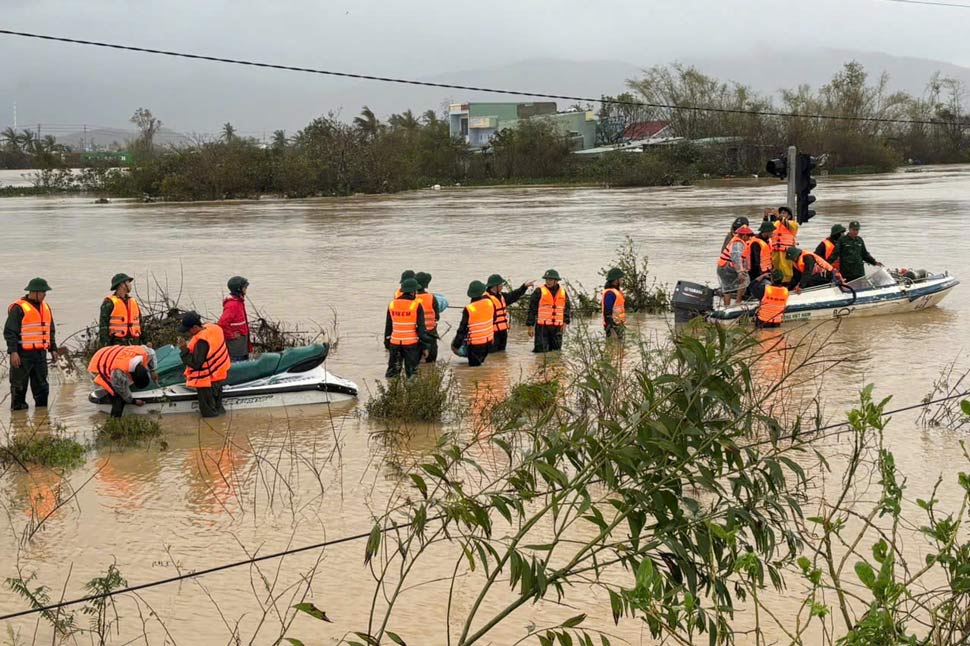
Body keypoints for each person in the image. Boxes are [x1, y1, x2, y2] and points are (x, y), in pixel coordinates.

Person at [5, 278, 58, 411]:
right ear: (34, 292)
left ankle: (41, 416)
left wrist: (53, 348)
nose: (45, 294)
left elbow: (50, 330)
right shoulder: (18, 308)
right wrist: (13, 352)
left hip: (40, 354)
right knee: (19, 387)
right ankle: (18, 420)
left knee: (42, 388)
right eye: (43, 292)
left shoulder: (45, 307)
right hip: (22, 355)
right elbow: (10, 332)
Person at [177, 311, 230, 418]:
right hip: (217, 377)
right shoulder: (214, 329)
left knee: (209, 413)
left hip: (206, 382)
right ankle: (222, 427)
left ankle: (213, 432)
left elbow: (196, 364)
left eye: (188, 330)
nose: (187, 333)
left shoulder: (202, 342)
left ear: (195, 327)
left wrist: (183, 349)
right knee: (218, 409)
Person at [88, 344, 158, 418]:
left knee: (122, 385)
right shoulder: (119, 373)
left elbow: (152, 353)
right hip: (97, 365)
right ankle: (115, 422)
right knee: (118, 397)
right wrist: (133, 401)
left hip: (113, 355)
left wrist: (152, 371)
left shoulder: (145, 352)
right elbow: (121, 389)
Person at [384, 277, 432, 378]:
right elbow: (421, 329)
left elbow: (388, 326)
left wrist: (387, 343)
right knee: (411, 375)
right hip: (411, 345)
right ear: (413, 292)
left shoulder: (392, 304)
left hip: (395, 343)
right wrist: (425, 347)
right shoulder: (416, 306)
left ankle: (391, 392)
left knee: (392, 374)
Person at [451, 280, 496, 367]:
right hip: (488, 342)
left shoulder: (469, 309)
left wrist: (456, 345)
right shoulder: (489, 302)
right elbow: (494, 319)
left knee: (474, 370)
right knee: (481, 366)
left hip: (475, 345)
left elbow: (462, 330)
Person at [485, 274, 533, 352]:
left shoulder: (502, 296)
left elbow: (513, 295)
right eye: (501, 285)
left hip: (503, 333)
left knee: (501, 356)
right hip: (492, 334)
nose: (502, 286)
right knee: (491, 354)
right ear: (495, 286)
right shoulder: (485, 300)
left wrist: (524, 287)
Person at [526, 269, 571, 353]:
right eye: (547, 279)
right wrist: (530, 326)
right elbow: (532, 309)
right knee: (540, 352)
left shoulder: (563, 292)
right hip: (542, 327)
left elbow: (567, 309)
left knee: (556, 352)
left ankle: (554, 366)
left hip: (557, 328)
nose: (548, 281)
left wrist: (565, 323)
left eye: (550, 279)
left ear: (556, 281)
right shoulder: (539, 291)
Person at [99, 273, 142, 346]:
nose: (130, 285)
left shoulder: (133, 302)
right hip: (117, 343)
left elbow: (140, 323)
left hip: (135, 343)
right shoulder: (109, 302)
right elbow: (103, 326)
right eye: (128, 282)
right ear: (122, 284)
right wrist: (106, 346)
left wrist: (147, 341)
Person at [717, 224, 753, 306]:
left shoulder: (736, 240)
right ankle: (738, 301)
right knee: (744, 278)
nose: (750, 238)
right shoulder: (738, 244)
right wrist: (740, 271)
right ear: (744, 235)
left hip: (722, 267)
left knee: (727, 288)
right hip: (727, 267)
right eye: (748, 236)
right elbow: (736, 258)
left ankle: (726, 305)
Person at [218, 276, 252, 362]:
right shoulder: (233, 305)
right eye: (244, 287)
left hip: (241, 346)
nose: (246, 289)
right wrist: (231, 335)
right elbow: (222, 323)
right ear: (238, 289)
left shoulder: (238, 302)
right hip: (236, 348)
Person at [414, 272, 441, 363]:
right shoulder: (432, 298)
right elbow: (437, 316)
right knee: (431, 362)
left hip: (416, 334)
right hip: (431, 333)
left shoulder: (412, 299)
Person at [770, 207, 799, 284]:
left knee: (786, 269)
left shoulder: (793, 224)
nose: (782, 214)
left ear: (789, 216)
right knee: (776, 268)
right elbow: (768, 229)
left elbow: (786, 224)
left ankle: (786, 284)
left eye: (784, 213)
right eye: (781, 213)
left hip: (786, 251)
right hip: (775, 250)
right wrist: (766, 217)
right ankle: (776, 282)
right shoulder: (776, 223)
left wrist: (778, 216)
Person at [747, 221, 775, 300]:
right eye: (771, 231)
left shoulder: (767, 241)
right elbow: (756, 262)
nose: (773, 233)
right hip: (756, 272)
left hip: (766, 270)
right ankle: (753, 298)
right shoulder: (756, 243)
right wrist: (761, 275)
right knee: (758, 287)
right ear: (766, 232)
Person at [601, 267, 626, 339]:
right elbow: (607, 313)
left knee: (619, 349)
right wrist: (611, 328)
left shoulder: (616, 292)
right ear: (615, 280)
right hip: (613, 327)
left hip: (619, 325)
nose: (622, 280)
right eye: (621, 278)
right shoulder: (610, 293)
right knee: (614, 347)